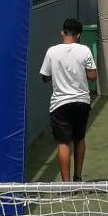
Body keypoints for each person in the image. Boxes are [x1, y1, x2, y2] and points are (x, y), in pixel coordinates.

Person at [40, 18, 97, 182]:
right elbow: (93, 76)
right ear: (79, 35)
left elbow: (45, 77)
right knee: (79, 138)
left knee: (63, 143)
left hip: (60, 104)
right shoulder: (85, 50)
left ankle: (66, 185)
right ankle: (78, 177)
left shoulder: (52, 51)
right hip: (82, 102)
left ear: (62, 32)